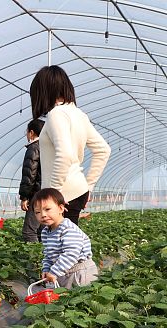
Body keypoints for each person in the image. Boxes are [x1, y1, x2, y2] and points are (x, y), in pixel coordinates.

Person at [30, 65, 110, 224]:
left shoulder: (56, 114)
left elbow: (64, 154)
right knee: (65, 243)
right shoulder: (79, 114)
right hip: (75, 192)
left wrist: (53, 195)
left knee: (56, 244)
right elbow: (103, 150)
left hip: (62, 196)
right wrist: (88, 187)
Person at [32, 187, 98, 289]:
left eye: (47, 209)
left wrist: (54, 272)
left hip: (80, 272)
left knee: (81, 300)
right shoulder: (46, 232)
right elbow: (49, 254)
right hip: (63, 270)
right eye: (37, 212)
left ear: (61, 209)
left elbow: (71, 253)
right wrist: (46, 269)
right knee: (64, 300)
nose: (43, 215)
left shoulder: (67, 229)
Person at [19, 119, 45, 242]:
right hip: (48, 192)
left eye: (27, 132)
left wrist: (24, 197)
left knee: (29, 231)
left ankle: (35, 259)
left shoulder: (34, 148)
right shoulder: (48, 147)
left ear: (32, 132)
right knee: (43, 230)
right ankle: (46, 257)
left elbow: (29, 175)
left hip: (37, 194)